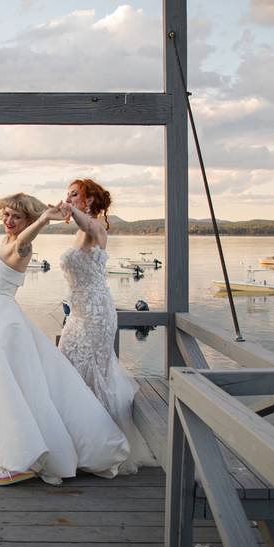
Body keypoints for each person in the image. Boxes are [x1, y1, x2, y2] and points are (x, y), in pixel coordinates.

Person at [0, 193, 130, 486]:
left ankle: (23, 459)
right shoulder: (6, 241)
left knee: (3, 381)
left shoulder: (23, 245)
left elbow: (22, 244)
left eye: (16, 217)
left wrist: (44, 219)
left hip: (2, 320)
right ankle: (1, 446)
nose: (9, 221)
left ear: (28, 221)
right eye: (6, 215)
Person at [58, 179, 157, 474]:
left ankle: (102, 446)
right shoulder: (80, 230)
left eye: (74, 194)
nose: (68, 198)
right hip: (78, 313)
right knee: (68, 369)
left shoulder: (96, 226)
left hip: (97, 313)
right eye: (68, 194)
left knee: (91, 373)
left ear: (89, 200)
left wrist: (68, 210)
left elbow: (87, 226)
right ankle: (76, 441)